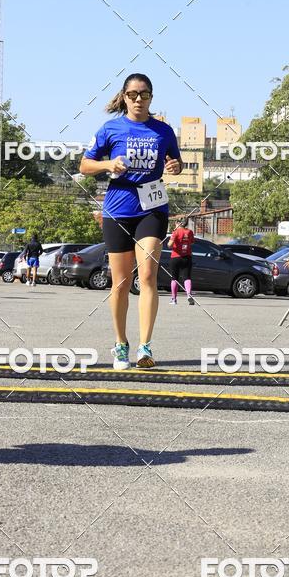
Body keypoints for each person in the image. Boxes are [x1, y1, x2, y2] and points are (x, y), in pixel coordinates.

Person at [80, 73, 183, 370]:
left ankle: (145, 347)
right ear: (124, 97)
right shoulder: (110, 128)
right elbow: (84, 165)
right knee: (121, 282)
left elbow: (174, 165)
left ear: (152, 97)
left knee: (148, 274)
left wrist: (175, 167)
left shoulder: (163, 131)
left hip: (152, 209)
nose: (139, 99)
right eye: (133, 94)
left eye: (145, 94)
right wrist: (107, 164)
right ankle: (121, 343)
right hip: (117, 210)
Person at [167, 217, 195, 306]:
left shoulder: (175, 232)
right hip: (187, 257)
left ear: (178, 223)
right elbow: (192, 243)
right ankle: (188, 294)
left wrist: (172, 239)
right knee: (187, 277)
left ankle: (174, 299)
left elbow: (170, 245)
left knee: (174, 278)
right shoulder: (190, 232)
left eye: (176, 222)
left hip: (176, 257)